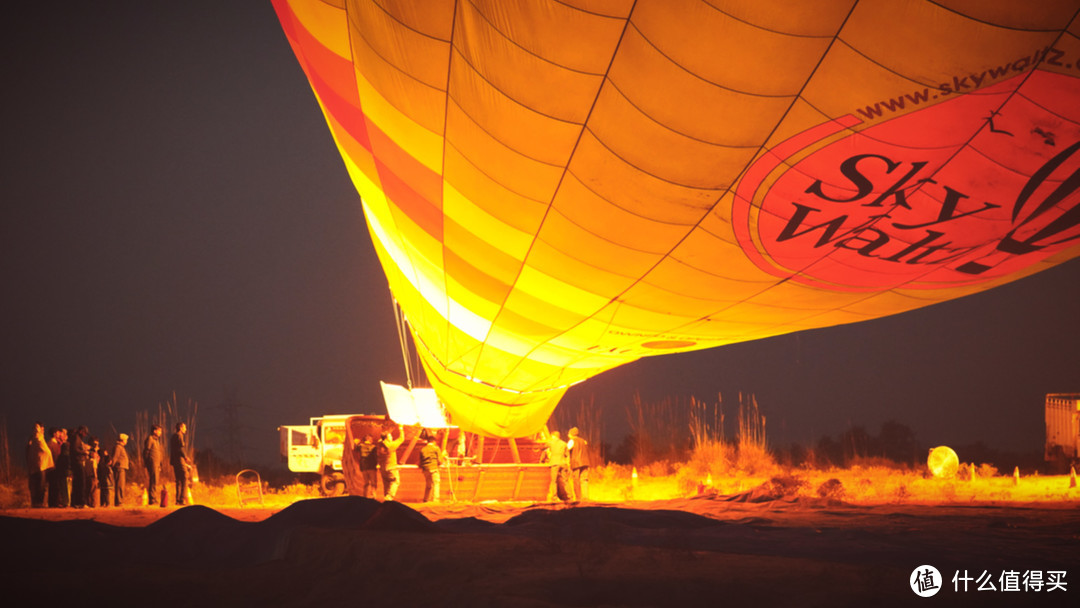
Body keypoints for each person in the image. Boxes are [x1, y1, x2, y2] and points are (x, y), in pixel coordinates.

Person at [25, 422, 54, 508]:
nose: (43, 430)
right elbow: (43, 448)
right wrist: (38, 427)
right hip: (40, 465)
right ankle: (38, 503)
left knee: (40, 485)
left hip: (40, 465)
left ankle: (38, 502)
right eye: (42, 428)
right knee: (40, 485)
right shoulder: (37, 437)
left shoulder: (38, 438)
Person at [375, 426, 404, 501]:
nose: (392, 437)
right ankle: (389, 497)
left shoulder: (379, 445)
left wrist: (387, 433)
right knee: (395, 481)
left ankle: (386, 499)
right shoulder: (391, 445)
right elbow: (401, 439)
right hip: (391, 467)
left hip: (383, 468)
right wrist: (401, 428)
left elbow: (381, 440)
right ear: (387, 438)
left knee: (386, 484)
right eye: (390, 436)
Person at [418, 430, 445, 503]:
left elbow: (420, 462)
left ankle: (425, 499)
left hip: (426, 470)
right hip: (433, 468)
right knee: (436, 483)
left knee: (428, 485)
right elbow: (440, 460)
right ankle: (435, 500)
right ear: (434, 441)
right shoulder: (436, 448)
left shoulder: (423, 449)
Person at [545, 430, 570, 502]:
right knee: (565, 481)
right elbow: (567, 455)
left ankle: (555, 497)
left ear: (553, 436)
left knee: (554, 481)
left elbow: (543, 446)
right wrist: (567, 464)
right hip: (563, 463)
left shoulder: (551, 442)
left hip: (554, 463)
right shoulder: (564, 443)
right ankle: (569, 496)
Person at [170, 422, 191, 505]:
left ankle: (177, 500)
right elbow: (181, 448)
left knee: (178, 480)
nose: (186, 429)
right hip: (180, 459)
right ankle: (182, 499)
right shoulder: (179, 436)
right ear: (181, 428)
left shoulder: (173, 436)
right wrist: (185, 457)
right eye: (185, 427)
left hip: (174, 460)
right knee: (185, 477)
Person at [567, 427, 590, 502]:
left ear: (571, 434)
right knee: (584, 480)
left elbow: (567, 449)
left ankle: (578, 498)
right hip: (585, 463)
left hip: (576, 463)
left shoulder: (572, 441)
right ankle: (585, 497)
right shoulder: (584, 441)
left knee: (576, 480)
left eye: (569, 433)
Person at [69, 426, 91, 508]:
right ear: (81, 431)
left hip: (76, 462)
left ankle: (76, 502)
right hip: (77, 462)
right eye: (85, 433)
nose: (85, 435)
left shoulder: (76, 438)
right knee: (81, 482)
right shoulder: (76, 438)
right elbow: (75, 450)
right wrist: (84, 452)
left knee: (77, 483)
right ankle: (81, 502)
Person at [143, 425, 164, 505]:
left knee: (155, 481)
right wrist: (147, 462)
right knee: (153, 480)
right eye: (159, 431)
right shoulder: (150, 439)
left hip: (157, 463)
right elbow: (146, 451)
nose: (160, 433)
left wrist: (160, 464)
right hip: (152, 463)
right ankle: (152, 499)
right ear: (154, 431)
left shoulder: (156, 440)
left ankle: (153, 498)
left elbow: (158, 453)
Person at [46, 427, 66, 508]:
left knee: (56, 486)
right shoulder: (50, 444)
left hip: (56, 467)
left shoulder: (56, 444)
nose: (59, 434)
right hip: (53, 467)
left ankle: (55, 502)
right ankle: (53, 503)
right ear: (54, 434)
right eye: (58, 432)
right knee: (53, 486)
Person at [354, 434, 378, 499]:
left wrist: (358, 441)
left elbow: (355, 448)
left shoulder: (360, 446)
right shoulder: (374, 447)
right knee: (373, 483)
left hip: (364, 467)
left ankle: (365, 496)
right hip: (372, 467)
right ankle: (373, 495)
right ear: (370, 440)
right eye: (371, 439)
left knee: (366, 483)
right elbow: (376, 457)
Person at [109, 433, 130, 506]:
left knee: (121, 485)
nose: (126, 441)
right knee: (119, 485)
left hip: (121, 468)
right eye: (126, 440)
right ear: (122, 440)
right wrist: (112, 467)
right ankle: (119, 502)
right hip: (119, 468)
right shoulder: (118, 447)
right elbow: (115, 457)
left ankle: (120, 501)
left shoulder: (120, 447)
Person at [97, 444, 113, 508]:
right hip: (105, 479)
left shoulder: (100, 462)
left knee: (102, 492)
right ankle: (107, 503)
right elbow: (109, 474)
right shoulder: (104, 463)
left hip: (101, 479)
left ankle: (102, 503)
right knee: (106, 492)